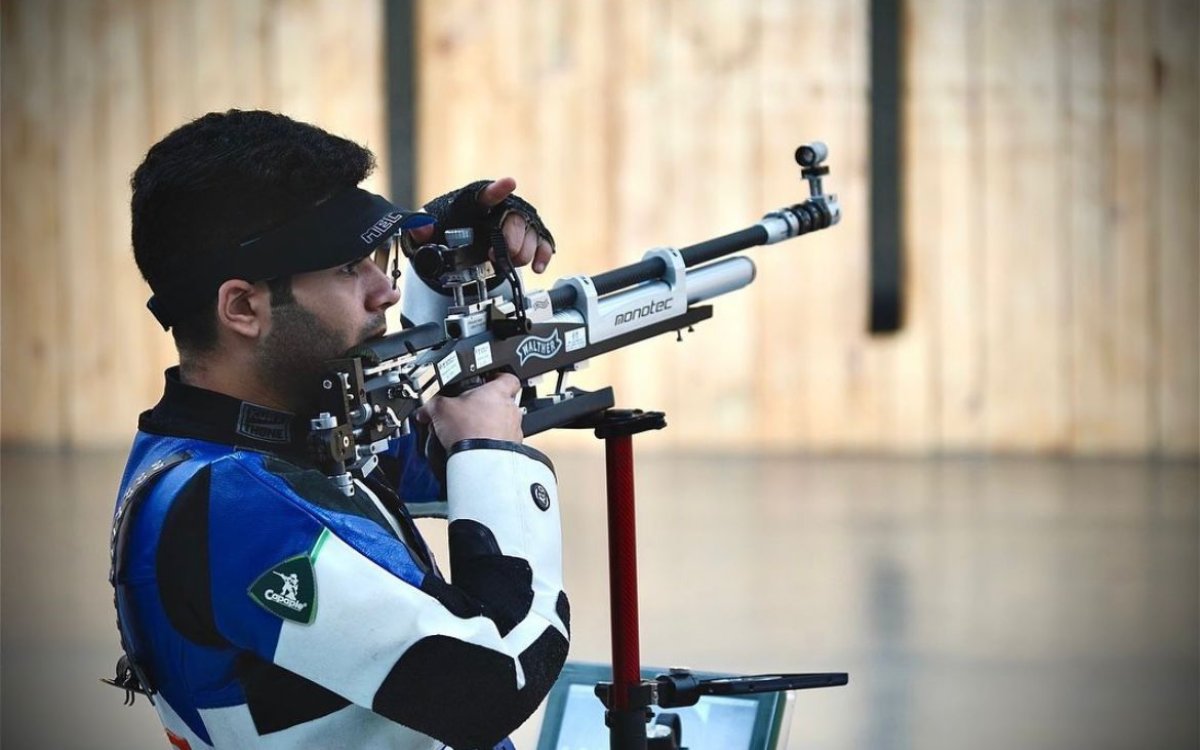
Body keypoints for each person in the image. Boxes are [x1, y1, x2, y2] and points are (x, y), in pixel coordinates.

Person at [109, 109, 568, 750]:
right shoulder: (231, 508)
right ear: (242, 306)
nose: (385, 290)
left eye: (380, 258)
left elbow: (428, 463)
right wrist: (494, 453)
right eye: (347, 267)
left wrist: (447, 273)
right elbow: (497, 678)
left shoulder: (278, 434)